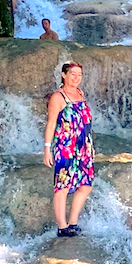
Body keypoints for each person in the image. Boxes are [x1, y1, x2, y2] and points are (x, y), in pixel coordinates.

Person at [43, 62, 94, 238]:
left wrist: (89, 146)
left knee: (85, 185)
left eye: (79, 74)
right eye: (73, 74)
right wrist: (47, 149)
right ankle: (62, 226)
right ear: (64, 75)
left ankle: (73, 222)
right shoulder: (58, 97)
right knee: (62, 186)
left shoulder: (80, 93)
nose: (76, 78)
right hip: (66, 148)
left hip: (84, 148)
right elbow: (51, 124)